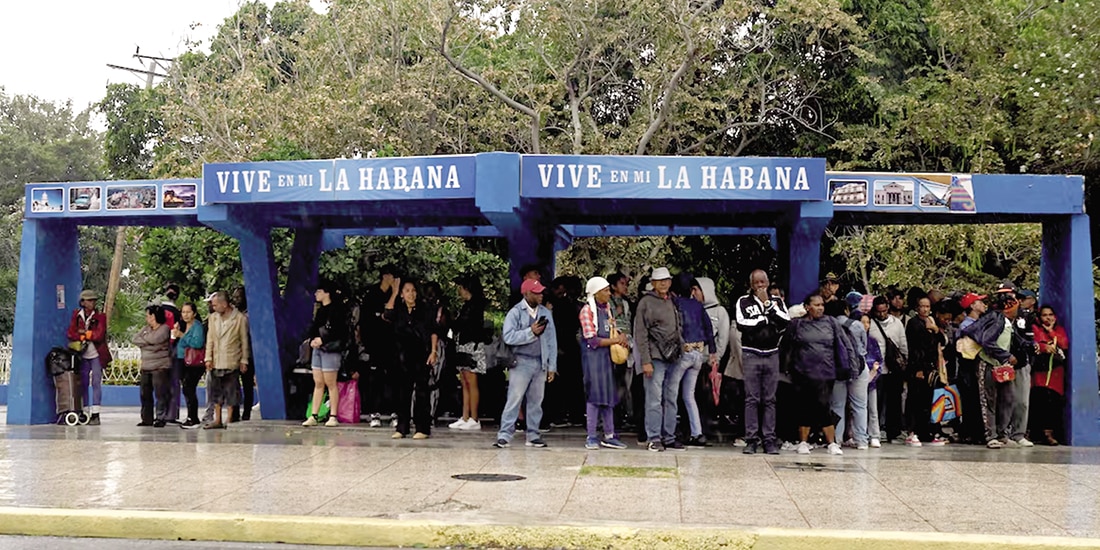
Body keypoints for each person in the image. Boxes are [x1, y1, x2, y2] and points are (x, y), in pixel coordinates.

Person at [494, 279, 557, 448]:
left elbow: (552, 341)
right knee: (514, 398)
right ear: (526, 294)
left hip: (540, 362)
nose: (541, 295)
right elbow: (508, 336)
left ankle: (533, 434)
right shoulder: (515, 313)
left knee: (536, 400)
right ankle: (505, 434)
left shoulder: (545, 313)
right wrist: (531, 332)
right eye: (536, 292)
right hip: (521, 361)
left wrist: (552, 366)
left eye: (541, 292)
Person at [735, 269, 789, 455]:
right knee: (751, 398)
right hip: (751, 354)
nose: (760, 286)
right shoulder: (743, 301)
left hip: (772, 354)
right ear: (751, 284)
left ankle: (769, 439)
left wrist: (768, 306)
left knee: (770, 399)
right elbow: (743, 324)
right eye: (756, 282)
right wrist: (764, 319)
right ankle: (751, 439)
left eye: (763, 282)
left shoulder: (777, 301)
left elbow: (785, 321)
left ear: (767, 282)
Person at [787, 294, 848, 455]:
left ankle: (832, 443)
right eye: (816, 305)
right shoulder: (797, 324)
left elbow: (841, 345)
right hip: (803, 372)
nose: (820, 307)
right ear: (807, 307)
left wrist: (847, 366)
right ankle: (803, 442)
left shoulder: (831, 322)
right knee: (805, 407)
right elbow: (787, 347)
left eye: (822, 304)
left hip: (826, 372)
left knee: (823, 406)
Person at [961, 290, 1020, 448]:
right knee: (989, 400)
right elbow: (987, 341)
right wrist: (1005, 355)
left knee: (1007, 399)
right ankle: (991, 435)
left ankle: (1002, 434)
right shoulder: (996, 320)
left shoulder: (1008, 322)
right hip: (988, 364)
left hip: (1003, 366)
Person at [634, 267, 685, 452]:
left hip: (674, 356)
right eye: (659, 280)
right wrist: (645, 361)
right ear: (653, 283)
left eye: (666, 280)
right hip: (655, 357)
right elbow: (641, 334)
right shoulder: (646, 302)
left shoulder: (672, 300)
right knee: (654, 398)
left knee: (671, 397)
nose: (663, 283)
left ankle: (669, 436)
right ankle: (654, 437)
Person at [385, 279, 440, 439]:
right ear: (402, 294)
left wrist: (434, 351)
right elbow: (387, 314)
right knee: (403, 392)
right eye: (407, 291)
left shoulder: (425, 309)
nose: (411, 294)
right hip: (402, 355)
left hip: (421, 354)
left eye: (413, 290)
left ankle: (422, 427)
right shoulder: (399, 310)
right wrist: (394, 292)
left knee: (422, 391)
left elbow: (433, 331)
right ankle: (402, 427)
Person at [579, 277, 629, 450]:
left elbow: (611, 330)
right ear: (596, 293)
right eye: (606, 290)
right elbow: (592, 340)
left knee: (608, 396)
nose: (609, 293)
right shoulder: (587, 311)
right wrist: (615, 340)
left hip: (607, 358)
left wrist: (620, 337)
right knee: (594, 397)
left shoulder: (607, 309)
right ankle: (591, 436)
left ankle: (609, 435)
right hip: (593, 359)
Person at [673, 275, 717, 447]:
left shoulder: (675, 304)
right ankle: (697, 433)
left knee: (670, 393)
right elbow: (709, 329)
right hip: (699, 354)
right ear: (691, 290)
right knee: (689, 395)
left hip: (684, 353)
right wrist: (712, 352)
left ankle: (668, 432)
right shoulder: (698, 306)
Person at [825, 300, 871, 450]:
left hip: (838, 368)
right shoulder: (856, 325)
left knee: (837, 405)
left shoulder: (828, 325)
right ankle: (862, 440)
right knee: (860, 405)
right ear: (846, 309)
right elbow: (864, 346)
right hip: (858, 366)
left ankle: (836, 440)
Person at [302, 281, 347, 427]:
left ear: (327, 293)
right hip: (318, 349)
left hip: (330, 350)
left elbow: (339, 331)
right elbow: (314, 328)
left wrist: (323, 339)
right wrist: (313, 341)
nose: (316, 294)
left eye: (319, 291)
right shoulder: (320, 310)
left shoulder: (337, 310)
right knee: (318, 382)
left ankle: (333, 415)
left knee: (331, 383)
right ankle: (314, 415)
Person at [360, 265, 400, 428]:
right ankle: (375, 413)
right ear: (385, 276)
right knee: (375, 380)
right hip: (375, 345)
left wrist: (396, 293)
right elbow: (373, 319)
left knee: (393, 380)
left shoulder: (397, 296)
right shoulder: (372, 295)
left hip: (393, 345)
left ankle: (394, 413)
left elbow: (392, 316)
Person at [904, 297, 948, 446]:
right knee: (915, 400)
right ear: (917, 308)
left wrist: (934, 329)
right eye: (922, 306)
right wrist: (918, 368)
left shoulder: (932, 322)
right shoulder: (913, 323)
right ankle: (912, 432)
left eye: (927, 306)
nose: (925, 309)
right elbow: (914, 347)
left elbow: (942, 340)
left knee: (927, 401)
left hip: (930, 366)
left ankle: (925, 433)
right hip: (918, 366)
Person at [204, 292, 250, 430]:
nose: (214, 307)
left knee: (231, 391)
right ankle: (217, 419)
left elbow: (244, 340)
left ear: (224, 304)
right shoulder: (213, 318)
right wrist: (208, 357)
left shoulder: (240, 318)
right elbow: (210, 339)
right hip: (216, 359)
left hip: (232, 359)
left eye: (215, 305)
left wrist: (244, 359)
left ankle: (229, 420)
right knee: (215, 391)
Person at [66, 289, 111, 425]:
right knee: (83, 383)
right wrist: (85, 334)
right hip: (82, 354)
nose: (92, 303)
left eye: (93, 300)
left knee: (96, 382)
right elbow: (70, 333)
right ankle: (85, 411)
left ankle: (96, 413)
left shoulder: (100, 317)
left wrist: (83, 333)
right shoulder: (77, 315)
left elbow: (99, 335)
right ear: (83, 302)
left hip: (96, 354)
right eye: (89, 300)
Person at [449, 276, 488, 431]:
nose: (459, 291)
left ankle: (474, 417)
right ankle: (465, 416)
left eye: (461, 287)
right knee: (464, 380)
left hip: (473, 346)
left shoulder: (476, 305)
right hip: (463, 345)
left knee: (472, 381)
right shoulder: (466, 306)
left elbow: (466, 324)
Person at [868, 295, 908, 444]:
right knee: (876, 402)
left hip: (894, 369)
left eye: (884, 311)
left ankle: (894, 431)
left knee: (894, 402)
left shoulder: (897, 323)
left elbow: (903, 344)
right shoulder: (870, 323)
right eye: (879, 312)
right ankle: (876, 430)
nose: (882, 314)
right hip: (876, 369)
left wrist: (905, 362)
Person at [1030, 305, 1068, 445]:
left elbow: (1063, 343)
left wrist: (1051, 331)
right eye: (1045, 315)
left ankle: (1050, 433)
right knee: (1039, 403)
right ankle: (1038, 433)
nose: (1048, 317)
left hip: (1055, 375)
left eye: (1050, 314)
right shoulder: (1035, 329)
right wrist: (1045, 346)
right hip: (1040, 375)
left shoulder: (1059, 330)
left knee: (1053, 405)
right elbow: (1037, 343)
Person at [134, 305, 172, 427]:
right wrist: (150, 344)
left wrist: (145, 343)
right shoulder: (146, 328)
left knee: (160, 393)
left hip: (160, 366)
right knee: (145, 394)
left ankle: (160, 417)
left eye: (148, 315)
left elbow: (156, 340)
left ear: (154, 316)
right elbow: (135, 339)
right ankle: (146, 418)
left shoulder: (164, 329)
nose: (147, 318)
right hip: (146, 366)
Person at [173, 303, 206, 429]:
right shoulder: (182, 325)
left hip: (194, 363)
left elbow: (197, 343)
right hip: (182, 361)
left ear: (194, 314)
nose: (185, 315)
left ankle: (194, 418)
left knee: (189, 388)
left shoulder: (197, 326)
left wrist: (182, 335)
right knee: (186, 389)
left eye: (188, 312)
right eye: (183, 312)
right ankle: (189, 416)